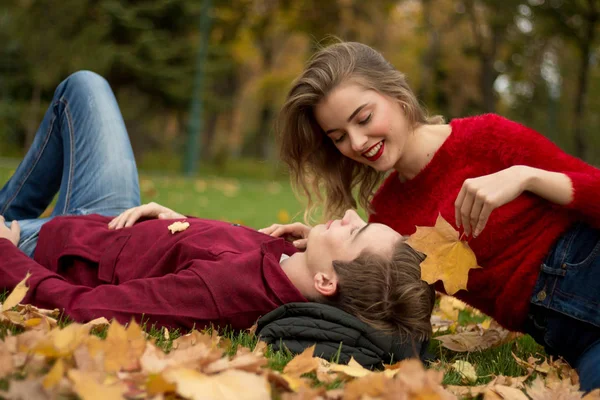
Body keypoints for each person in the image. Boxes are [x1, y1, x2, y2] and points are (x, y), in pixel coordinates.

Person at [0, 70, 434, 341]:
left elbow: (82, 308)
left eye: (354, 232)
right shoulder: (294, 263)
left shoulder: (225, 295)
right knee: (84, 87)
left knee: (83, 88)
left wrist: (7, 253)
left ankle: (7, 225)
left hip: (63, 246)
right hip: (123, 219)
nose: (351, 214)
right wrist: (175, 227)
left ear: (325, 282)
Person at [272, 41, 600, 390]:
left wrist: (525, 176)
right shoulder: (388, 216)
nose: (356, 142)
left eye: (364, 118)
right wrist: (318, 250)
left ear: (397, 95)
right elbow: (383, 300)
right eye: (338, 137)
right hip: (577, 340)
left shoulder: (486, 137)